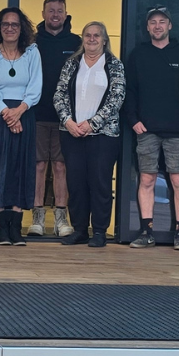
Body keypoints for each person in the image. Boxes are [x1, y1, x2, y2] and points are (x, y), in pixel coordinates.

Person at [123, 6, 179, 251]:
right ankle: (146, 231)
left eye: (162, 21)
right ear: (147, 27)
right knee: (146, 178)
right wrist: (133, 119)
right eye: (152, 22)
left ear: (170, 25)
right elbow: (129, 90)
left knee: (178, 178)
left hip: (177, 129)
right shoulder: (138, 55)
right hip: (147, 129)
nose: (157, 26)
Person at [53, 21, 126, 248]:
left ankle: (100, 232)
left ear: (104, 40)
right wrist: (68, 121)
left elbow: (117, 98)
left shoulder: (114, 65)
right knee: (76, 184)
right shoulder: (71, 64)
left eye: (97, 35)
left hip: (103, 136)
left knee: (100, 183)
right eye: (88, 35)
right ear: (82, 39)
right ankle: (80, 230)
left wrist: (92, 124)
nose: (92, 39)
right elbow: (59, 94)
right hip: (72, 134)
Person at [0, 7, 42, 246]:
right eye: (5, 24)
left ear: (21, 28)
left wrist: (19, 112)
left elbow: (36, 86)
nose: (10, 28)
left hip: (24, 114)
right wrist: (7, 113)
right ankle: (1, 230)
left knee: (19, 169)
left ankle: (15, 229)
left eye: (14, 24)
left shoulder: (32, 53)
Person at [30, 0, 79, 238]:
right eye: (51, 10)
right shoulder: (32, 41)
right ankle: (37, 217)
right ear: (43, 14)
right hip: (37, 113)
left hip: (66, 117)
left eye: (60, 10)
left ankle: (61, 217)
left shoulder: (77, 42)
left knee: (61, 166)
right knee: (38, 165)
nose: (55, 15)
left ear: (66, 13)